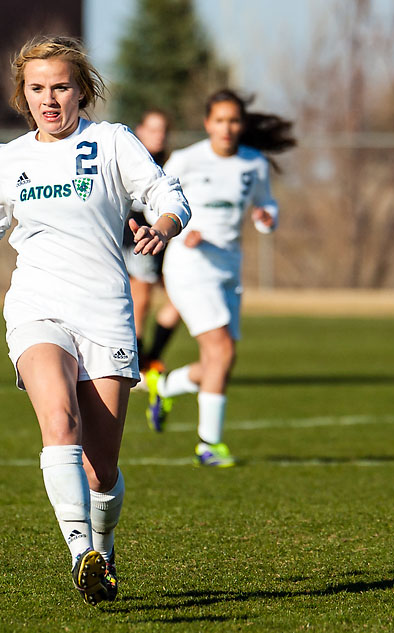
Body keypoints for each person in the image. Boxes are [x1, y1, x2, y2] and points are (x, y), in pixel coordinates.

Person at [0, 36, 191, 605]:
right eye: (37, 88)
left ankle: (102, 549)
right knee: (59, 420)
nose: (49, 99)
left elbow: (165, 192)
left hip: (105, 310)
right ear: (22, 95)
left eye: (60, 86)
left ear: (81, 90)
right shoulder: (9, 159)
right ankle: (81, 554)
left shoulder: (111, 142)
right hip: (37, 307)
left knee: (101, 470)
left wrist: (166, 224)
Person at [148, 89, 295, 466]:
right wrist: (180, 229)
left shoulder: (254, 163)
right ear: (207, 124)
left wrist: (266, 218)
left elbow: (267, 202)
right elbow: (155, 202)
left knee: (219, 361)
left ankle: (164, 386)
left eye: (233, 121)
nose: (226, 128)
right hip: (188, 263)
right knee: (222, 351)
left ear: (241, 125)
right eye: (219, 120)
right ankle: (208, 445)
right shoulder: (186, 160)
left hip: (228, 267)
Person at [120, 109, 183, 394]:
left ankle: (148, 359)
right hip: (136, 239)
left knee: (180, 300)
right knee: (140, 295)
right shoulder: (129, 157)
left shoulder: (174, 163)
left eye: (163, 130)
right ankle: (136, 363)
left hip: (167, 244)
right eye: (153, 129)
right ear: (140, 130)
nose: (159, 135)